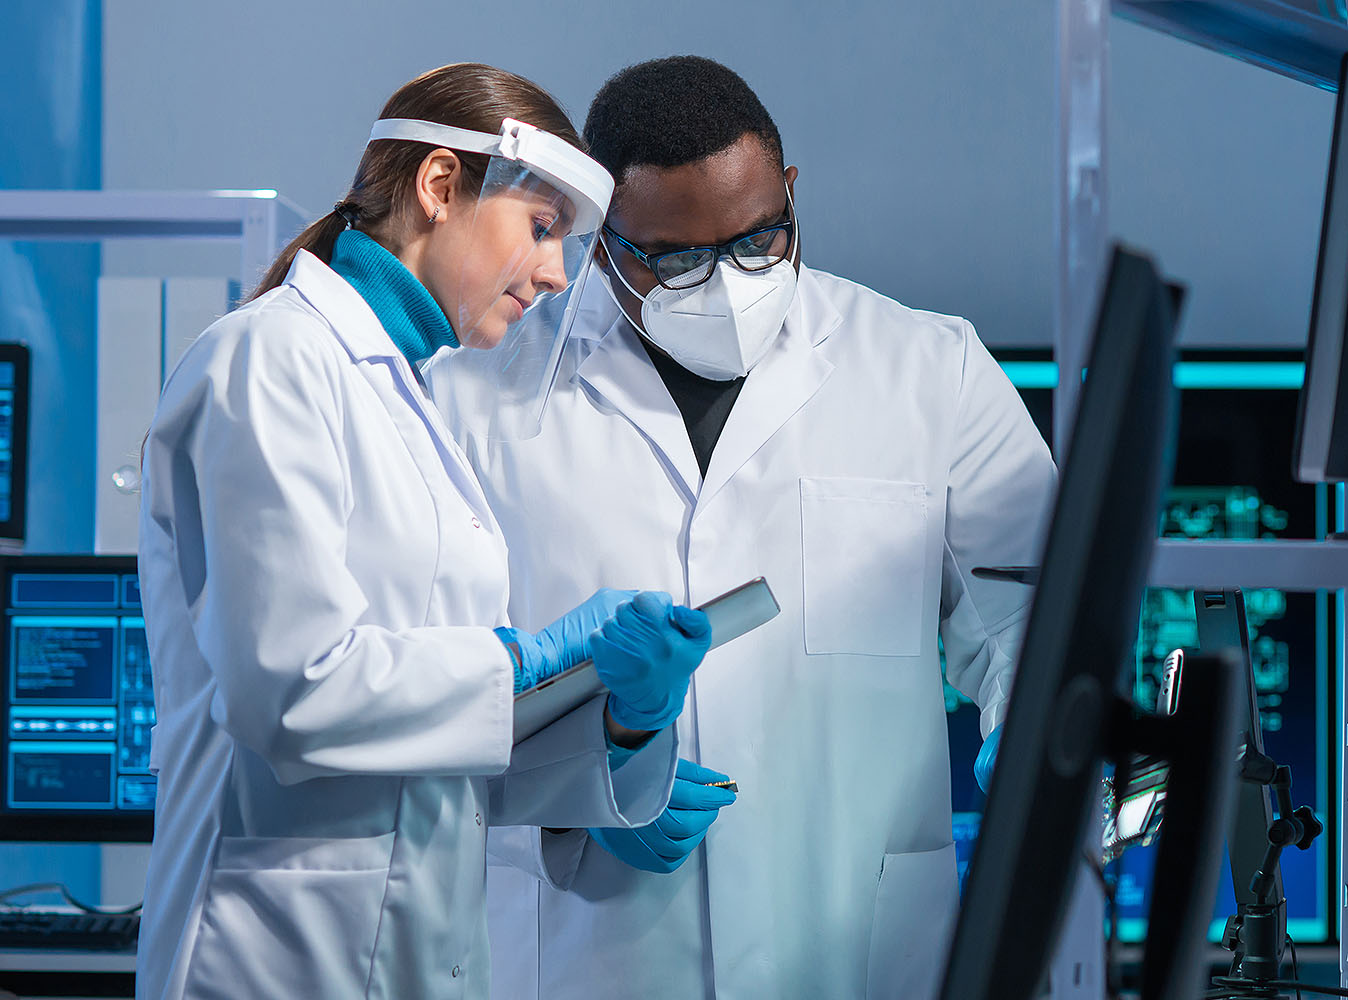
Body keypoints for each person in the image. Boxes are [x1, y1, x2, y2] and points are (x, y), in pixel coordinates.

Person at [427, 56, 1057, 999]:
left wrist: (1038, 733)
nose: (727, 283)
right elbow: (412, 685)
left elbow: (1036, 625)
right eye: (677, 260)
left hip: (856, 950)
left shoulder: (932, 371)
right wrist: (565, 795)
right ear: (603, 242)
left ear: (791, 194)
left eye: (761, 240)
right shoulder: (473, 394)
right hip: (585, 954)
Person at [135, 63, 713, 1000]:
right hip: (271, 957)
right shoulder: (267, 362)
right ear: (440, 186)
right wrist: (525, 662)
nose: (559, 274)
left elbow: (440, 753)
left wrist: (612, 730)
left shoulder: (412, 397)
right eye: (540, 228)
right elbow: (289, 688)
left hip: (416, 954)